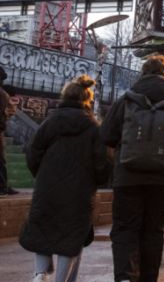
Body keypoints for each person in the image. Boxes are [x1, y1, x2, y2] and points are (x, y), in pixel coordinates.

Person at [102, 54, 164, 282]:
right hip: (161, 177)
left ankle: (125, 277)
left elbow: (106, 134)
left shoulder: (126, 100)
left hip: (127, 176)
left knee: (125, 229)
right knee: (153, 230)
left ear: (143, 73)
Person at [19, 75, 108, 282]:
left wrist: (41, 176)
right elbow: (102, 162)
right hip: (79, 192)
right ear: (87, 99)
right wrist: (96, 181)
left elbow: (33, 153)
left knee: (42, 231)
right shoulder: (93, 127)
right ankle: (62, 279)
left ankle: (40, 274)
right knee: (73, 236)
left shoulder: (50, 122)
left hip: (47, 186)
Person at [0, 66, 16, 196]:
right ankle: (2, 186)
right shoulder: (3, 94)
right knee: (1, 160)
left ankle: (3, 186)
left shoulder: (3, 94)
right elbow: (10, 111)